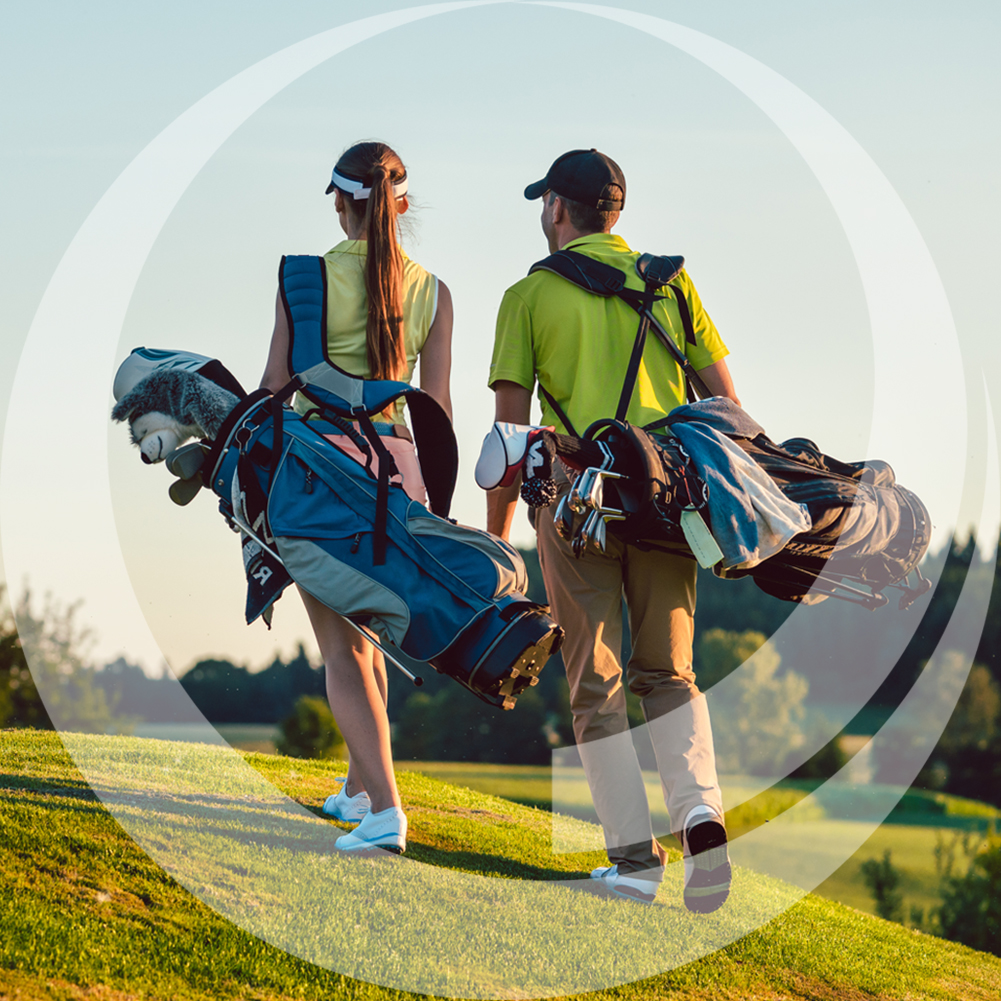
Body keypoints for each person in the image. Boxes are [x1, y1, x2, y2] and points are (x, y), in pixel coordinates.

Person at [486, 149, 738, 910]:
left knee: (595, 683)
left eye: (544, 203)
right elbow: (726, 408)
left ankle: (633, 861)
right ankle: (699, 809)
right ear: (616, 213)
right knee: (669, 672)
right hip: (666, 501)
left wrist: (497, 543)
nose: (542, 215)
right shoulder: (673, 283)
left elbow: (508, 440)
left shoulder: (527, 294)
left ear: (560, 209)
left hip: (574, 502)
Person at [261, 141, 453, 854]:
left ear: (342, 203)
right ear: (400, 205)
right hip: (398, 469)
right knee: (369, 637)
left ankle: (386, 815)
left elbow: (275, 385)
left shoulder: (302, 278)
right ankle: (359, 790)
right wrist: (431, 502)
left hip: (320, 473)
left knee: (340, 649)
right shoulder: (435, 289)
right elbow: (435, 408)